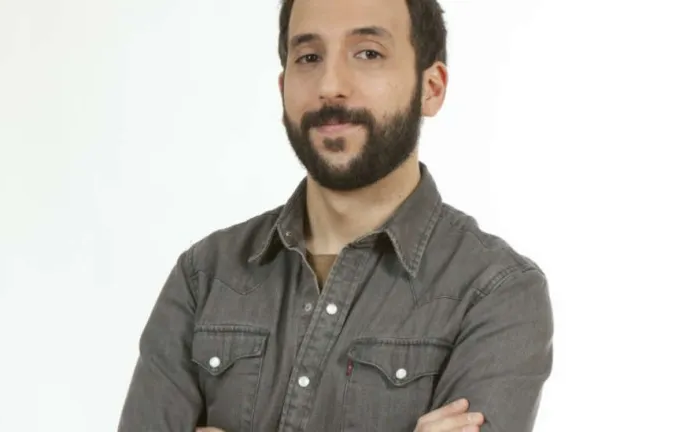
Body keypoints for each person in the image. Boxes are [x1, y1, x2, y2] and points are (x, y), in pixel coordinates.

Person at [117, 0, 554, 430]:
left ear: (431, 87)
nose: (330, 85)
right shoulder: (205, 276)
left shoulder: (496, 292)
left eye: (368, 53)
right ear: (283, 87)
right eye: (309, 57)